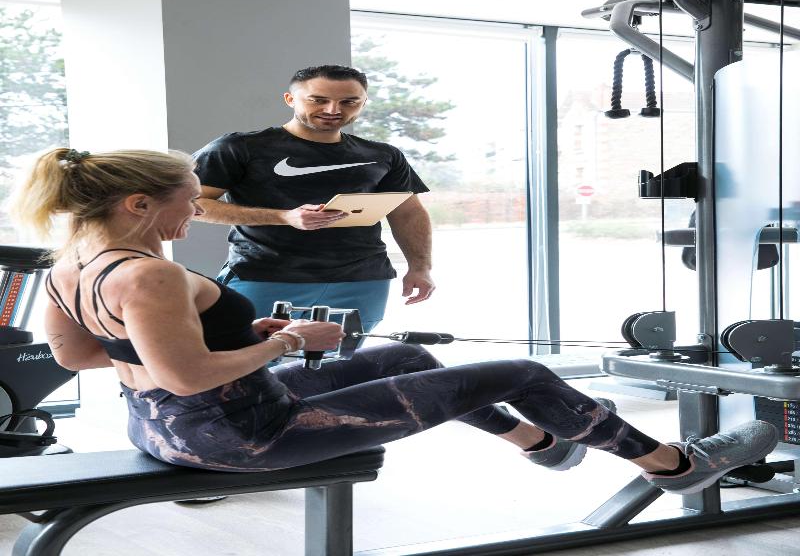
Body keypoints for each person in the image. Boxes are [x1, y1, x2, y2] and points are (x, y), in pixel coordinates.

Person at [12, 147, 778, 495]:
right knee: (521, 372)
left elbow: (83, 356)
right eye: (189, 200)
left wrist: (234, 338)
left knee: (407, 362)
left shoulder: (72, 264)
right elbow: (185, 374)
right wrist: (287, 341)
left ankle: (544, 445)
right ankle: (674, 465)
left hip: (163, 429)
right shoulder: (149, 271)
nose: (197, 211)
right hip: (243, 436)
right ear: (138, 204)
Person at [192, 64, 434, 333]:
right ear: (290, 99)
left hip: (363, 280)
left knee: (342, 359)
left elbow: (408, 213)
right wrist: (284, 217)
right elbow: (192, 204)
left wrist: (420, 268)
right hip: (264, 276)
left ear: (363, 103)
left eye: (349, 102)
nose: (333, 110)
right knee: (250, 358)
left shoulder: (384, 155)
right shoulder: (238, 148)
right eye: (318, 100)